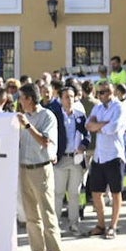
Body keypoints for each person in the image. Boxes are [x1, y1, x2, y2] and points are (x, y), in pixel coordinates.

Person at [15, 82, 63, 251]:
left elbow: (45, 141)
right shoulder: (20, 117)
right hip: (24, 169)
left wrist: (27, 125)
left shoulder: (46, 116)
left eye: (21, 98)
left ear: (29, 99)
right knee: (31, 216)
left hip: (41, 170)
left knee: (47, 214)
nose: (19, 101)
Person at [85, 81, 126, 239]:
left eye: (106, 91)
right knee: (96, 193)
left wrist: (98, 126)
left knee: (116, 193)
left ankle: (113, 226)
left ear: (113, 92)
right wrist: (102, 125)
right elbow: (88, 125)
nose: (103, 95)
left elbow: (114, 128)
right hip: (99, 156)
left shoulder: (120, 107)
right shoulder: (97, 107)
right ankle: (101, 224)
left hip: (114, 155)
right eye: (100, 92)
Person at [47, 85, 89, 236]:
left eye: (72, 96)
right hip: (61, 159)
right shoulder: (55, 115)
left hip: (76, 159)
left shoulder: (79, 115)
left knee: (74, 193)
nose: (69, 100)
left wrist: (84, 145)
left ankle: (74, 223)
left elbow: (87, 134)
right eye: (66, 97)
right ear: (61, 99)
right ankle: (55, 224)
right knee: (58, 193)